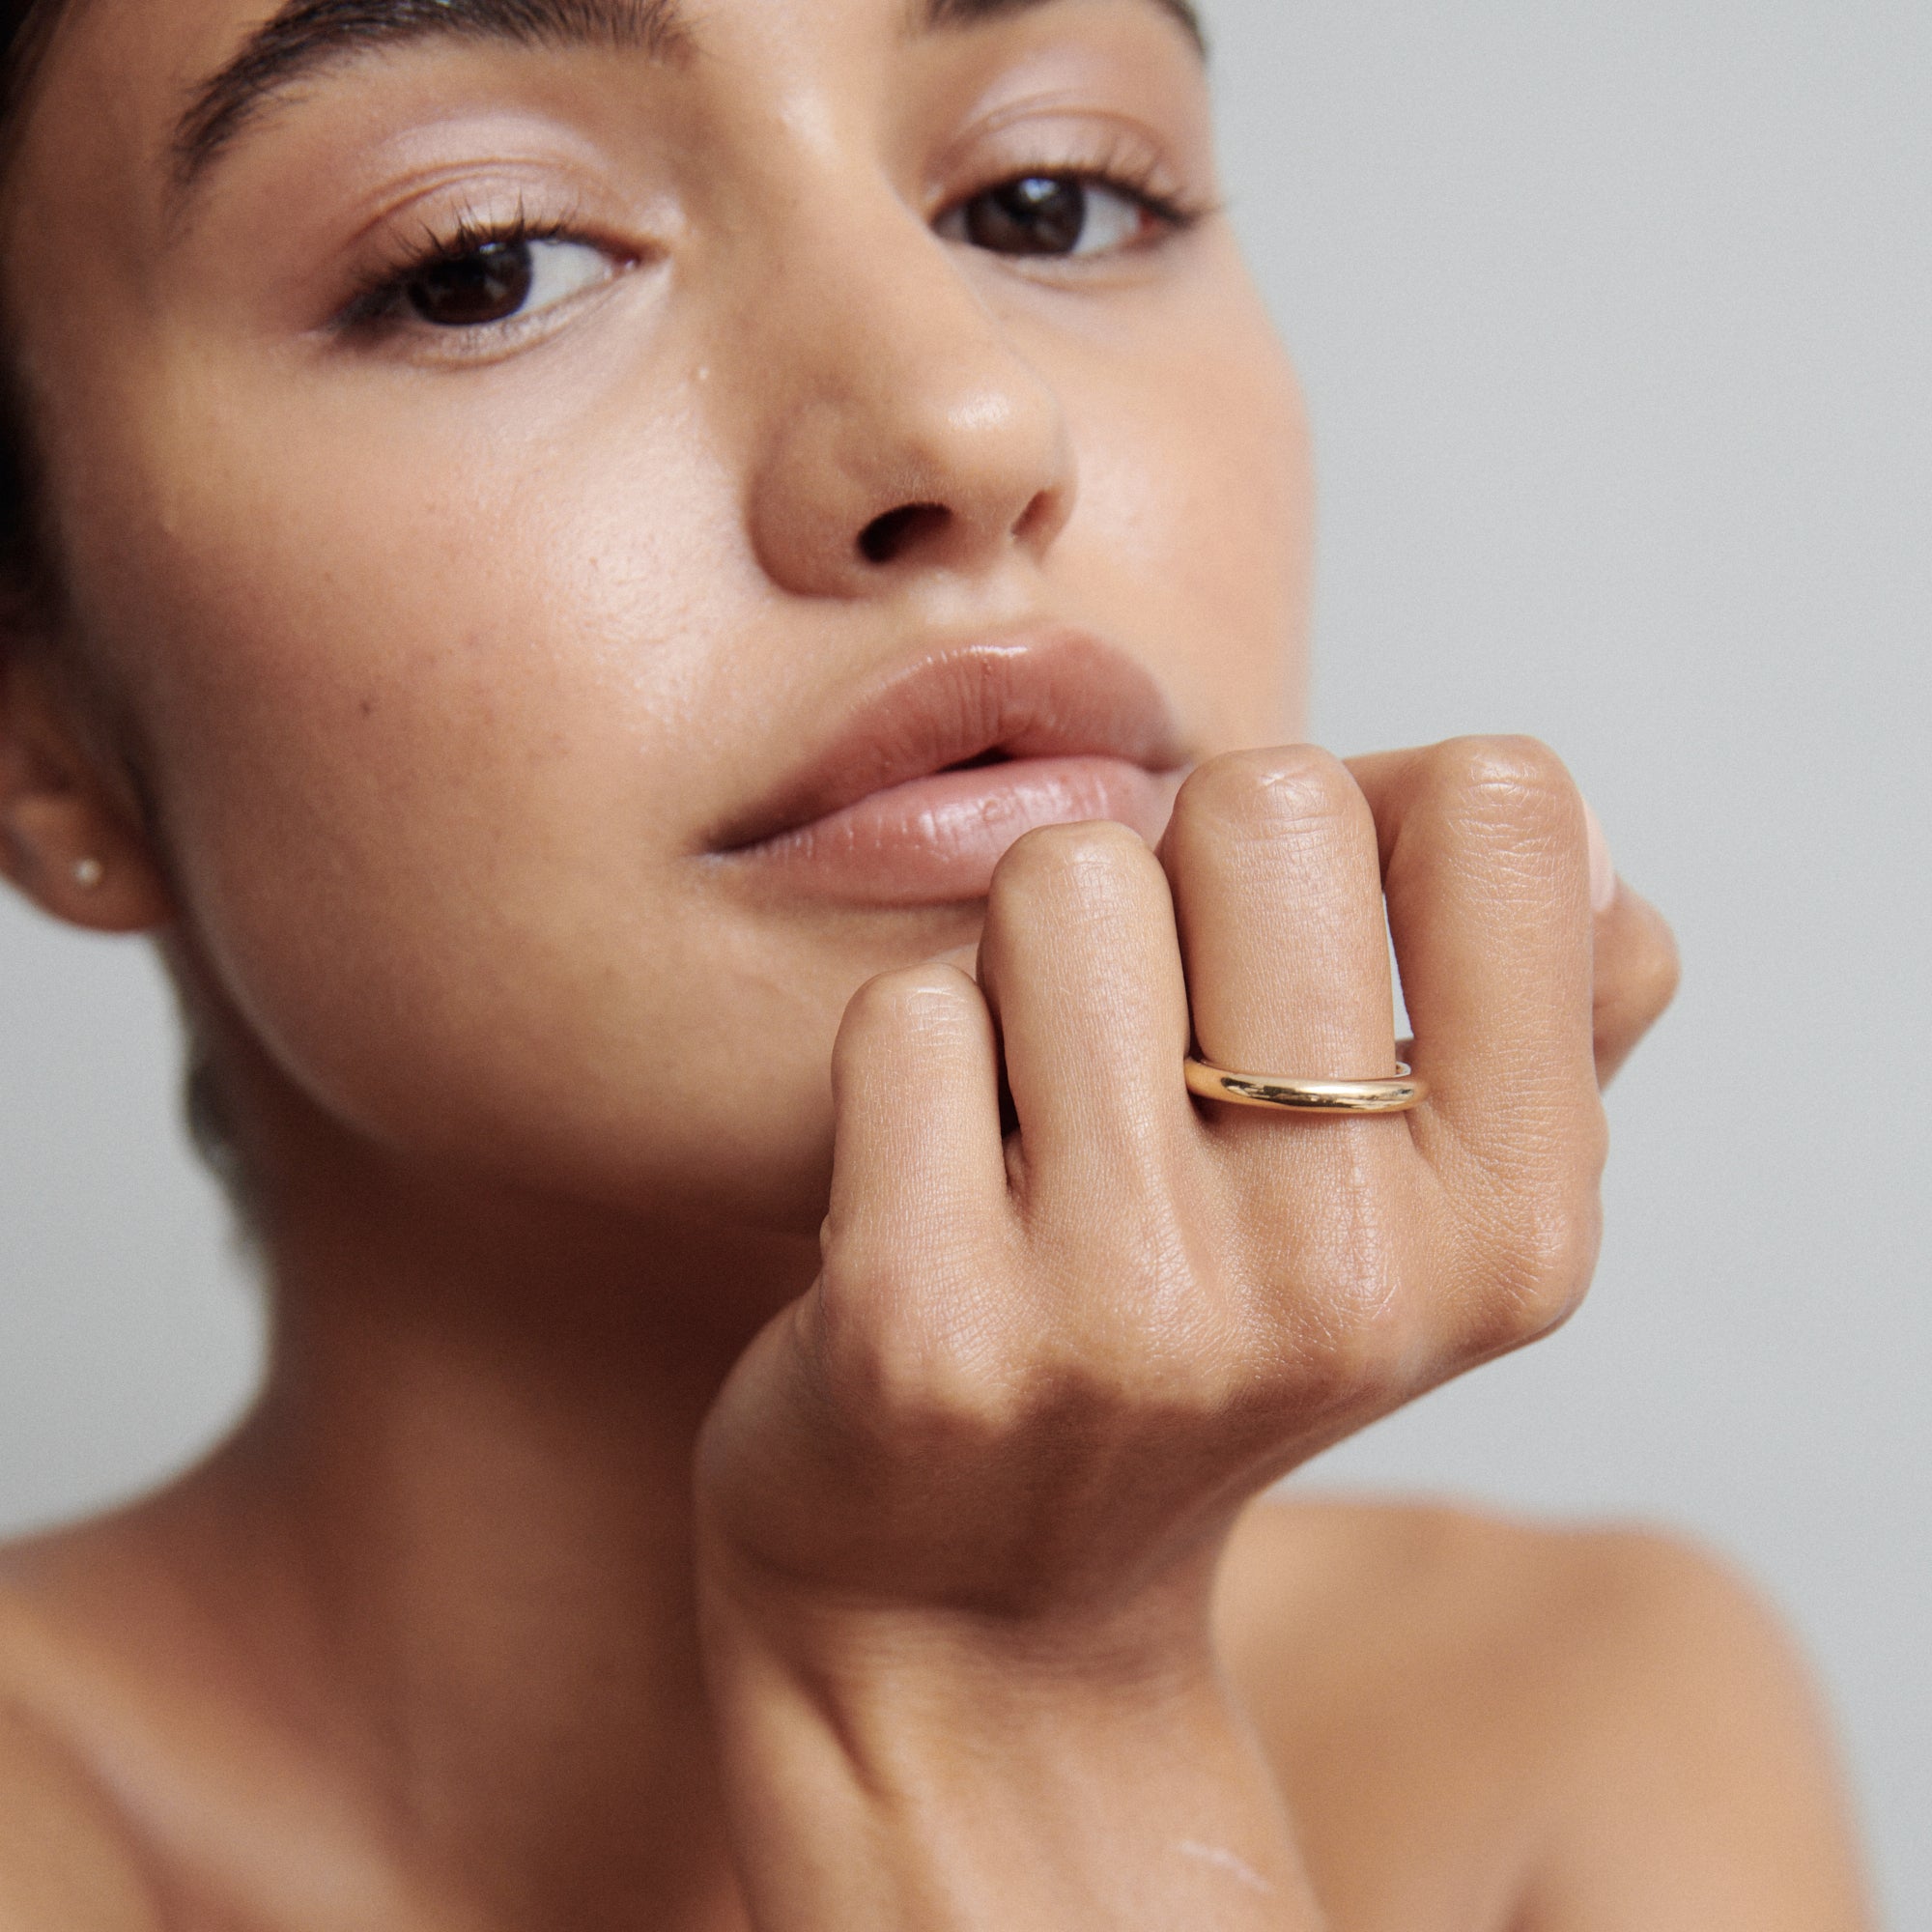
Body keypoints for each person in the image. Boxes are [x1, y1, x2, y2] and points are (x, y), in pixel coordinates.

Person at [0, 0, 1872, 1923]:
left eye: (1052, 199)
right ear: (34, 715)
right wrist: (980, 1677)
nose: (970, 422)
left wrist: (1035, 1682)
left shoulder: (1581, 1730)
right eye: (486, 262)